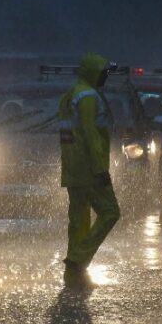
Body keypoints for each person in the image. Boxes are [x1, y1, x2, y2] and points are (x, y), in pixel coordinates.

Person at [58, 52, 121, 289]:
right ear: (94, 73)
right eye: (104, 73)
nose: (106, 77)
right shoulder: (88, 97)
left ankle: (74, 276)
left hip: (73, 167)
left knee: (79, 221)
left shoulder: (70, 95)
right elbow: (91, 134)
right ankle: (77, 260)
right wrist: (100, 168)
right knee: (110, 212)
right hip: (89, 168)